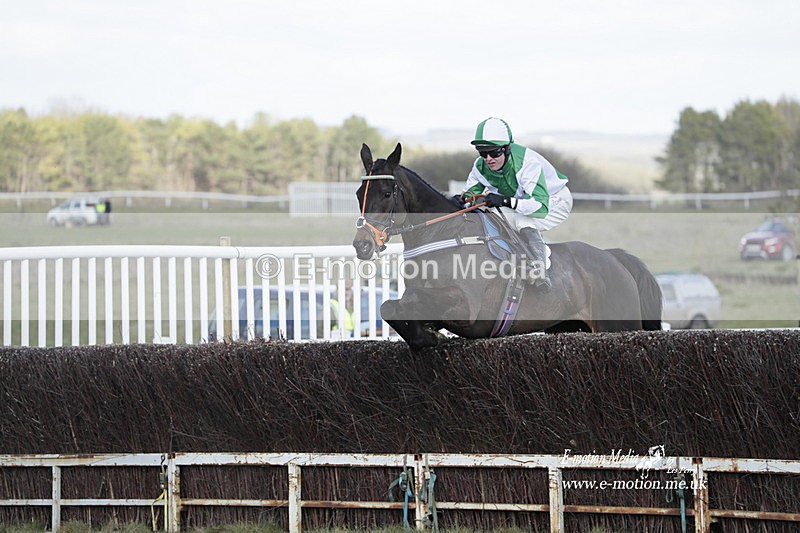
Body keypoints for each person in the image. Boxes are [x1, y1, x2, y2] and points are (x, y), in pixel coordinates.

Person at [454, 117, 573, 289]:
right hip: (525, 200)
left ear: (507, 149)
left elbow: (540, 207)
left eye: (494, 152)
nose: (488, 158)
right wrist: (463, 199)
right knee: (489, 213)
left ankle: (539, 271)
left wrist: (504, 200)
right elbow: (471, 192)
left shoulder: (527, 163)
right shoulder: (481, 166)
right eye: (482, 152)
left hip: (554, 201)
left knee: (522, 219)